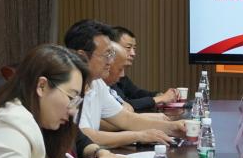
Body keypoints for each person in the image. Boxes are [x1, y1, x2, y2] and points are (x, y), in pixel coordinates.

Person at [64, 19, 186, 148]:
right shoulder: (67, 88)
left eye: (111, 54)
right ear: (82, 56)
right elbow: (85, 136)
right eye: (106, 54)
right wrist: (139, 136)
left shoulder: (97, 83)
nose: (111, 61)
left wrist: (173, 127)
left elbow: (126, 119)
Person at [112, 25, 179, 111]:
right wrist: (160, 99)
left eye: (134, 48)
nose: (133, 53)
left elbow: (136, 93)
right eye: (128, 48)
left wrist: (159, 95)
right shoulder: (104, 78)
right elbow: (124, 106)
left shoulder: (120, 76)